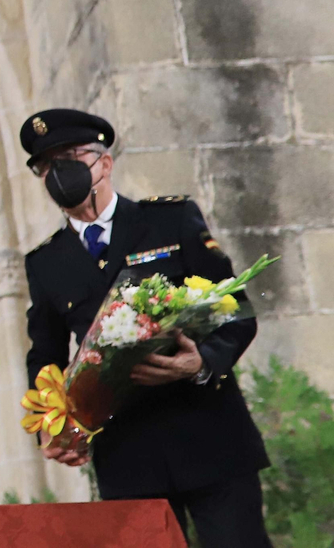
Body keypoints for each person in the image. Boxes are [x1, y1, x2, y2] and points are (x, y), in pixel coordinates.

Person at [19, 108, 271, 547]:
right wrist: (52, 424)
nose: (59, 173)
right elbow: (45, 354)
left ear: (104, 162)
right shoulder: (45, 263)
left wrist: (201, 363)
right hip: (127, 456)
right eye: (46, 166)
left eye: (71, 157)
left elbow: (236, 311)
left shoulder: (170, 220)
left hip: (211, 438)